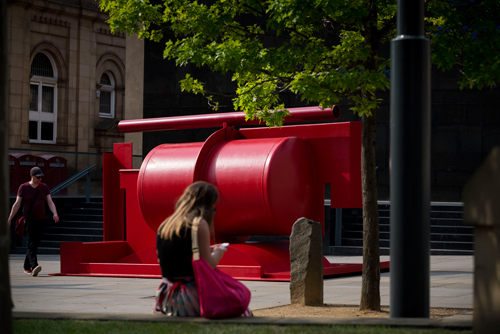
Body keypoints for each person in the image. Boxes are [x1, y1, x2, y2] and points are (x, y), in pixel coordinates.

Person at [154, 181, 252, 317]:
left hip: (166, 295)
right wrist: (218, 253)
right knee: (243, 312)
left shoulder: (166, 225)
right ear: (207, 206)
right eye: (213, 208)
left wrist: (206, 248)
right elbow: (209, 265)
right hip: (189, 295)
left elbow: (179, 254)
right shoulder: (198, 223)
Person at [8, 166, 59, 276]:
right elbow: (17, 204)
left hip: (41, 219)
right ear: (31, 176)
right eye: (38, 177)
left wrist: (55, 213)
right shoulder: (24, 187)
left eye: (41, 177)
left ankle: (27, 267)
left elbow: (50, 202)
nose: (40, 179)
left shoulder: (44, 187)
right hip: (29, 219)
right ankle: (34, 265)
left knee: (35, 243)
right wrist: (10, 219)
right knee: (32, 242)